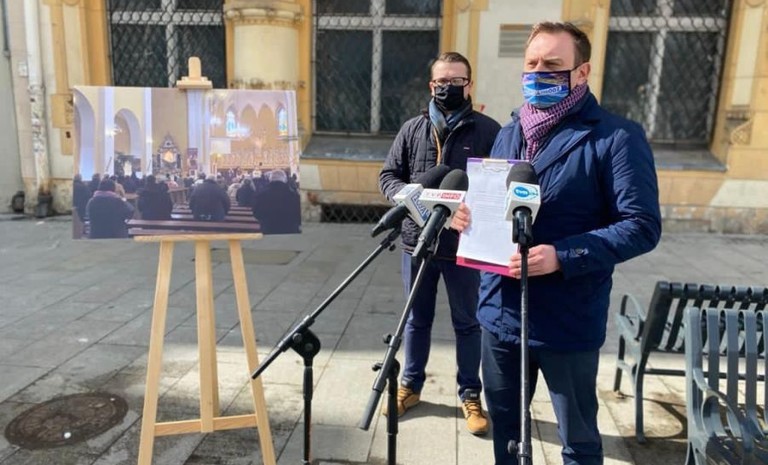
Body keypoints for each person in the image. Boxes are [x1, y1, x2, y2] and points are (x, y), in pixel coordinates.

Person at [450, 22, 662, 464]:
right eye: (531, 63)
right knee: (507, 434)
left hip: (567, 320)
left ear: (582, 72)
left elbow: (641, 225)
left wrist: (562, 256)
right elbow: (497, 204)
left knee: (578, 441)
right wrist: (467, 217)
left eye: (552, 64)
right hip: (500, 313)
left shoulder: (616, 137)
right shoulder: (510, 132)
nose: (537, 73)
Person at [378, 51, 501, 435]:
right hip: (417, 243)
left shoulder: (489, 131)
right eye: (441, 81)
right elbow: (388, 176)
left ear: (469, 84)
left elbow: (498, 186)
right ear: (432, 86)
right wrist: (407, 197)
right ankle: (410, 385)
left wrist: (474, 211)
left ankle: (470, 393)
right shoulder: (412, 129)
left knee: (468, 323)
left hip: (465, 246)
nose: (448, 87)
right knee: (416, 320)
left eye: (456, 81)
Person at [251, 170, 301, 234]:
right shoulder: (294, 196)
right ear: (285, 180)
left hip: (268, 230)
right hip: (290, 231)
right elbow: (299, 217)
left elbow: (256, 214)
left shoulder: (261, 195)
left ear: (270, 180)